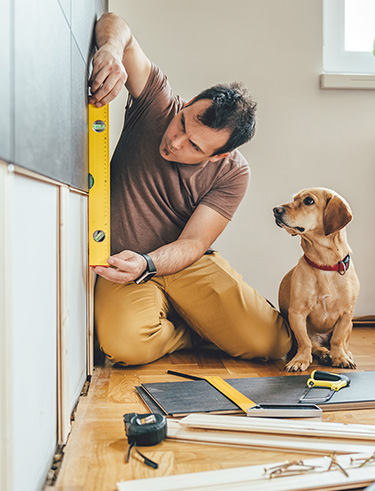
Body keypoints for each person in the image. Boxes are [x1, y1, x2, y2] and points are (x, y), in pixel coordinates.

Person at [88, 12, 292, 366]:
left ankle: (199, 321)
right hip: (121, 262)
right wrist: (110, 48)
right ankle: (193, 330)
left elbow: (195, 243)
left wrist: (150, 262)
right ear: (187, 105)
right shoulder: (157, 104)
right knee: (125, 347)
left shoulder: (233, 173)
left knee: (273, 343)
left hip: (181, 262)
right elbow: (116, 23)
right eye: (183, 122)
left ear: (218, 156)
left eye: (195, 147)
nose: (175, 142)